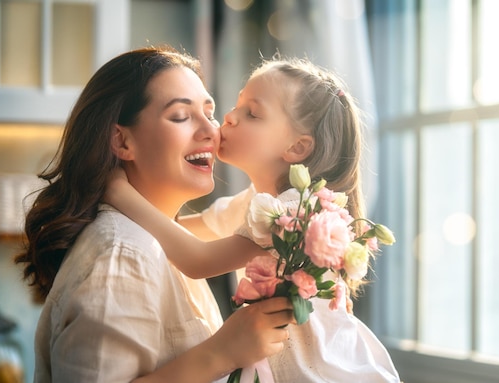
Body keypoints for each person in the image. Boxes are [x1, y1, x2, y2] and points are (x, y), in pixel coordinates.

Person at [106, 55, 401, 382]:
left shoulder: (294, 210)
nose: (228, 119)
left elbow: (196, 259)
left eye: (252, 114)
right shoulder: (253, 202)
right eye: (235, 106)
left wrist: (120, 193)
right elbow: (182, 232)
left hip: (321, 370)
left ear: (297, 147)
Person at [13, 46, 294, 383]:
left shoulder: (159, 245)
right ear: (122, 141)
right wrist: (219, 353)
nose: (211, 131)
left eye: (209, 111)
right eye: (180, 115)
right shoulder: (125, 255)